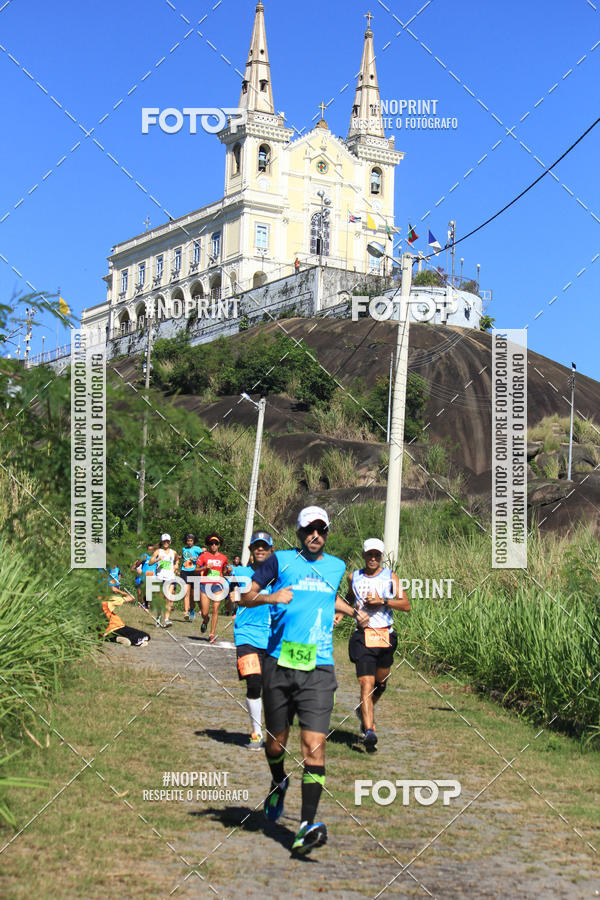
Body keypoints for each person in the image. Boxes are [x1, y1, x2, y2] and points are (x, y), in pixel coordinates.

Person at [240, 506, 368, 855]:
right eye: (310, 530)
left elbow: (327, 595)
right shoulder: (278, 562)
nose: (316, 535)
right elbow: (244, 596)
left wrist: (353, 612)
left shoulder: (337, 566)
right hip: (279, 665)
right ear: (299, 532)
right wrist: (271, 596)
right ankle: (278, 779)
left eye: (322, 530)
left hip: (319, 668)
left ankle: (305, 825)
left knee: (314, 746)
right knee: (275, 745)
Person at [346, 538, 411, 750]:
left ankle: (365, 710)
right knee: (367, 683)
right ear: (364, 555)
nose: (373, 559)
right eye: (369, 555)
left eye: (377, 555)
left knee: (380, 683)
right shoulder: (353, 577)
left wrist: (383, 601)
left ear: (381, 557)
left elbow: (406, 605)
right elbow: (348, 600)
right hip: (363, 637)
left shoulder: (390, 577)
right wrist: (346, 612)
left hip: (384, 636)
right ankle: (369, 731)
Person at [231, 532, 274, 749]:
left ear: (270, 551)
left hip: (272, 637)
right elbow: (229, 594)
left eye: (264, 547)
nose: (260, 550)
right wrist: (233, 596)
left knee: (272, 687)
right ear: (251, 550)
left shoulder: (280, 577)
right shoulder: (240, 573)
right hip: (246, 634)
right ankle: (256, 733)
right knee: (253, 680)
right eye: (256, 547)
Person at [99, 565, 150, 647]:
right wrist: (122, 592)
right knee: (145, 636)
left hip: (104, 631)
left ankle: (114, 639)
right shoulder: (110, 599)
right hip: (116, 626)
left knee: (135, 636)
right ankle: (133, 641)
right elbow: (131, 598)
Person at [196, 533, 229, 643]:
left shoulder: (223, 558)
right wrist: (205, 567)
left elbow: (224, 571)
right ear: (209, 545)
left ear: (219, 545)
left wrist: (227, 571)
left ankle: (212, 634)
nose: (214, 545)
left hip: (218, 585)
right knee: (205, 612)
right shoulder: (204, 556)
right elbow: (195, 569)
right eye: (211, 543)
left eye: (216, 543)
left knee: (215, 609)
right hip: (205, 585)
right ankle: (205, 620)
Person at [148, 534, 179, 627]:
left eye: (167, 541)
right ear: (162, 542)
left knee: (168, 599)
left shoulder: (173, 552)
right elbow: (150, 562)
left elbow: (177, 560)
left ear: (170, 542)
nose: (166, 543)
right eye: (164, 541)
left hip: (170, 578)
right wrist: (157, 559)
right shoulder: (158, 551)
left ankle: (166, 620)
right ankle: (158, 617)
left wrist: (176, 565)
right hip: (160, 577)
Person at [180, 533, 203, 621]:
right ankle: (186, 612)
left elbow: (203, 557)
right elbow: (183, 556)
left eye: (191, 541)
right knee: (186, 593)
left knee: (194, 595)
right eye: (188, 541)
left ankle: (192, 609)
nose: (189, 542)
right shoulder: (184, 549)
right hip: (185, 571)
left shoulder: (198, 549)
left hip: (194, 572)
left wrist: (196, 559)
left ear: (193, 541)